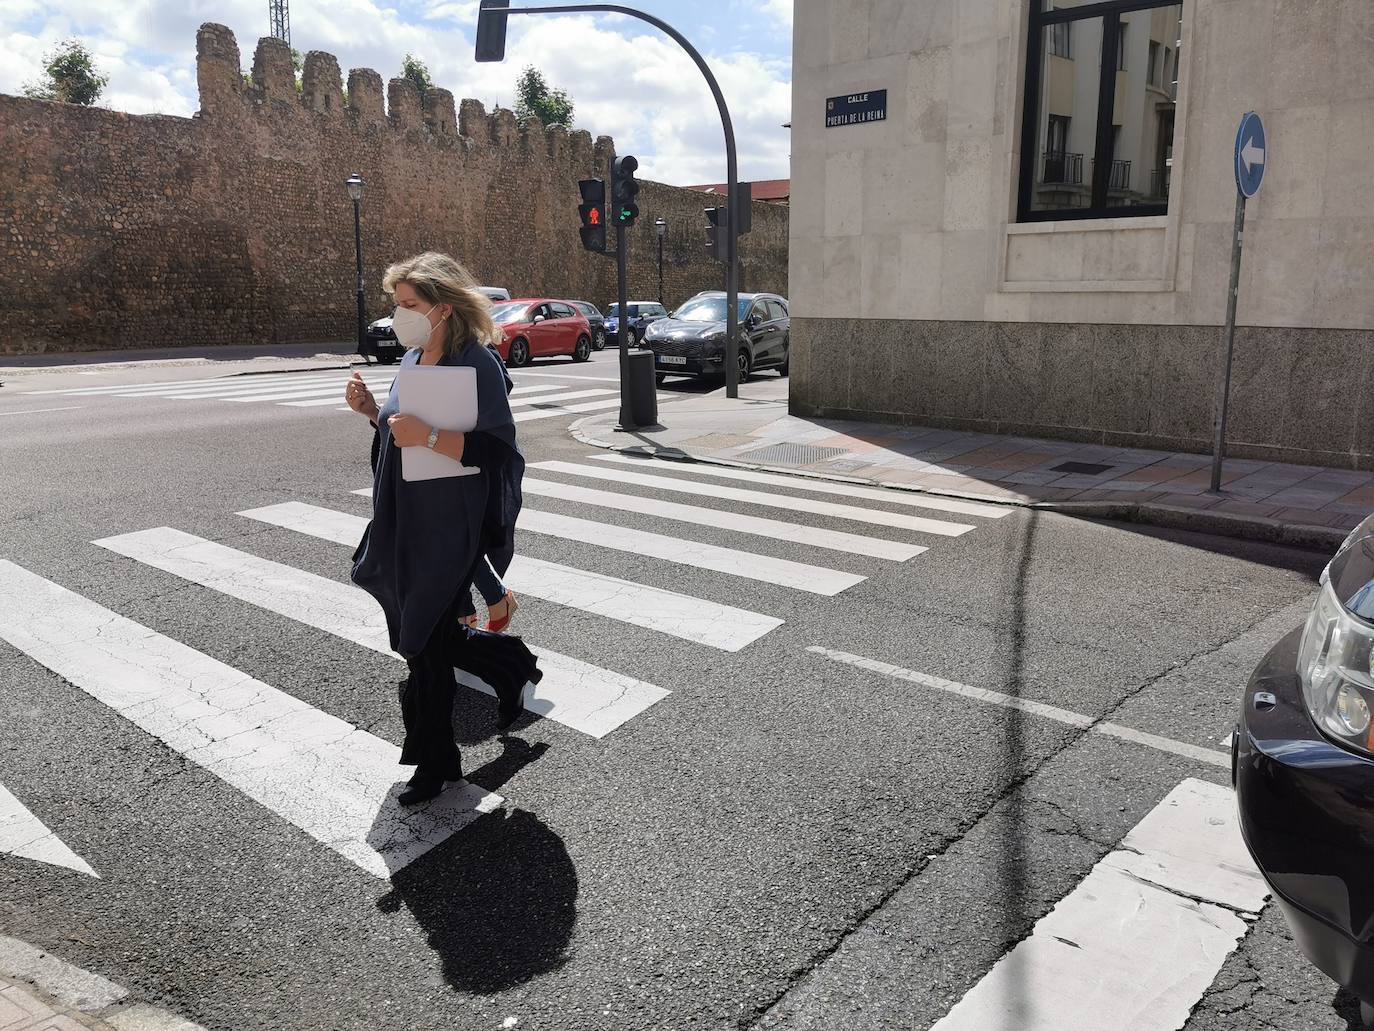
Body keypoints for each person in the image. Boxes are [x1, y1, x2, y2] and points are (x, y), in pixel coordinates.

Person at [345, 251, 541, 806]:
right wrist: (372, 413)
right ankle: (512, 663)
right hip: (404, 521)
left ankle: (435, 765)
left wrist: (427, 437)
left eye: (409, 305)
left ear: (444, 307)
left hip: (446, 531)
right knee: (428, 638)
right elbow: (401, 436)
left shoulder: (475, 364)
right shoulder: (412, 358)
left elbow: (497, 453)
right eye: (396, 304)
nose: (398, 315)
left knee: (424, 649)